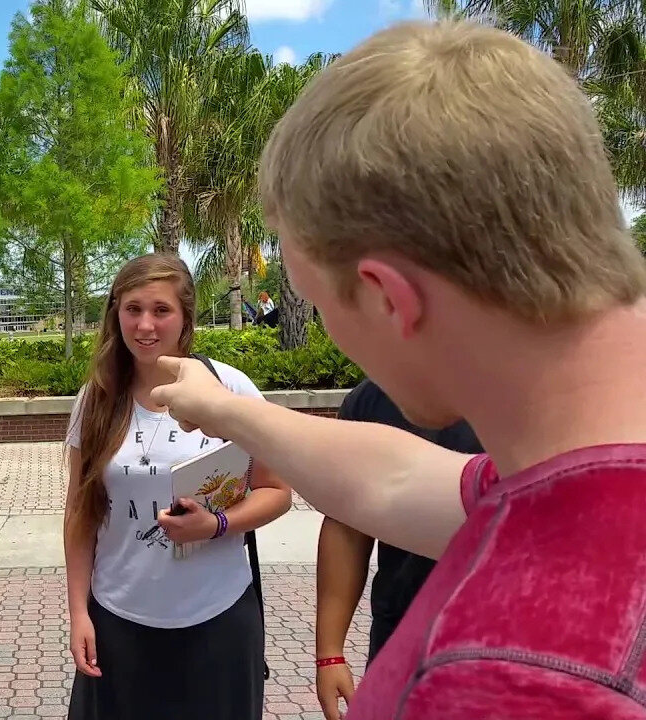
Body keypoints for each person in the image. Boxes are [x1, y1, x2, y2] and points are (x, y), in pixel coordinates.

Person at [149, 19, 646, 719]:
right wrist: (226, 408)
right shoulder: (575, 469)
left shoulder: (509, 678)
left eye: (320, 303)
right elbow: (400, 478)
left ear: (388, 298)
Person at [64, 254, 291, 720]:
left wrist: (218, 523)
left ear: (186, 317)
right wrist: (78, 612)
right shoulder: (97, 399)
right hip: (119, 621)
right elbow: (79, 514)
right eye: (133, 309)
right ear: (115, 313)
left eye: (161, 310)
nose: (145, 325)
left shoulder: (230, 388)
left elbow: (277, 491)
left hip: (218, 621)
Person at [314, 379, 483, 720]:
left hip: (511, 644)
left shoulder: (530, 384)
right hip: (401, 633)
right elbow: (347, 525)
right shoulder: (371, 400)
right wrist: (330, 654)